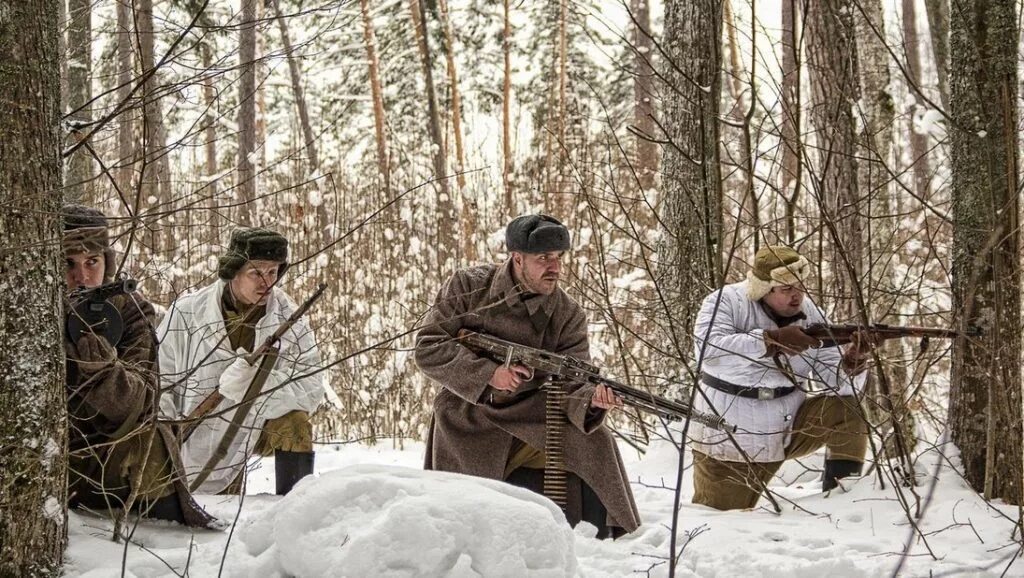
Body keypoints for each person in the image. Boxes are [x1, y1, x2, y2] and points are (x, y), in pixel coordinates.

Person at [415, 214, 640, 538]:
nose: (555, 267)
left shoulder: (567, 313)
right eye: (544, 258)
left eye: (559, 258)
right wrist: (489, 375)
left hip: (533, 412)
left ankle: (598, 537)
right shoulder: (468, 287)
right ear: (517, 258)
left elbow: (577, 379)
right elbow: (429, 347)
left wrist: (592, 400)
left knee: (595, 441)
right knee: (465, 505)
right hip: (471, 410)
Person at [62, 204, 215, 527]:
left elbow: (142, 404)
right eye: (68, 264)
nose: (82, 277)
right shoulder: (29, 310)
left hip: (110, 458)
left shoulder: (129, 311)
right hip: (51, 459)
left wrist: (103, 371)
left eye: (92, 262)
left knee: (155, 438)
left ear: (108, 262)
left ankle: (165, 536)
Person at [690, 245, 873, 510]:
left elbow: (838, 384)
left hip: (787, 428)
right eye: (786, 289)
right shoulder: (725, 301)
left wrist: (854, 360)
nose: (797, 296)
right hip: (729, 438)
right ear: (764, 288)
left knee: (848, 410)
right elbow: (708, 351)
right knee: (722, 525)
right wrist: (770, 341)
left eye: (800, 287)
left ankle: (842, 505)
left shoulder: (812, 313)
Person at [157, 227, 333, 495]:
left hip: (252, 426)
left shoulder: (289, 318)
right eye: (257, 273)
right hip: (191, 429)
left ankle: (294, 512)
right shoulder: (187, 313)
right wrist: (166, 432)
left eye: (273, 272)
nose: (267, 282)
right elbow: (160, 376)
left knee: (295, 425)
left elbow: (310, 389)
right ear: (234, 272)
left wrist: (255, 386)